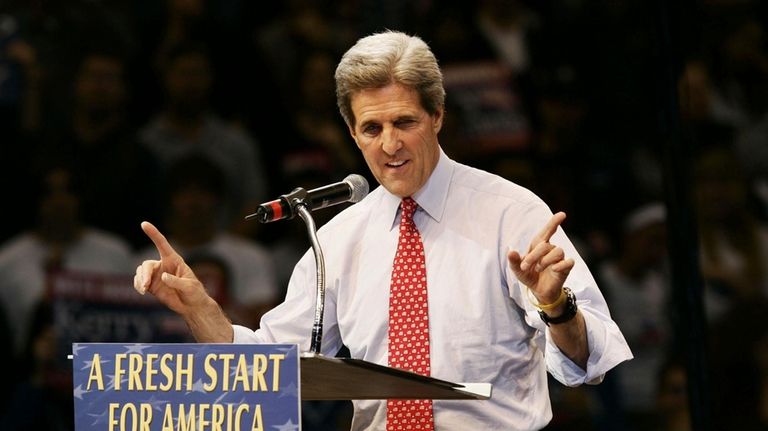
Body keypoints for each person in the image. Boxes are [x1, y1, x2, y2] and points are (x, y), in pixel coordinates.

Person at [133, 31, 632, 430]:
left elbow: (591, 360)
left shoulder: (511, 212)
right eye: (372, 129)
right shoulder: (339, 239)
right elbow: (271, 368)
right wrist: (201, 310)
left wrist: (556, 307)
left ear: (437, 117)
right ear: (352, 132)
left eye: (404, 122)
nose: (389, 144)